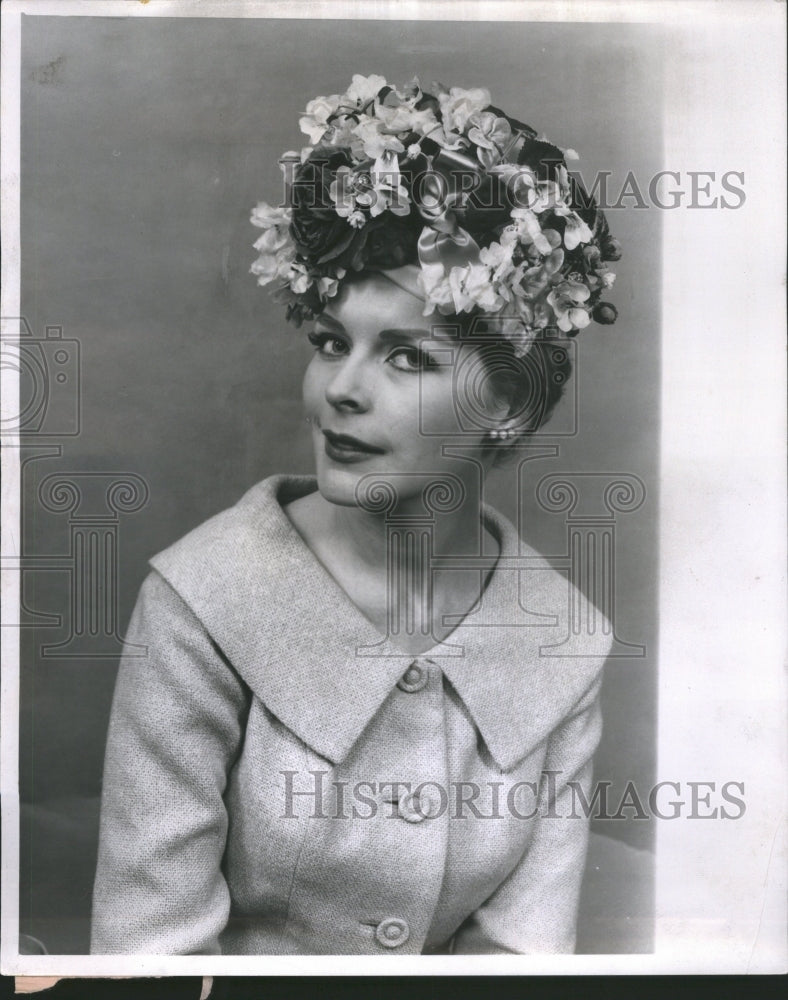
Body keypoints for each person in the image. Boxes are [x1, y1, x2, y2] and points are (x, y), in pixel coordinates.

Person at [91, 75, 621, 956]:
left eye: (406, 357)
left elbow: (523, 962)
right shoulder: (206, 601)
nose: (340, 389)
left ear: (511, 410)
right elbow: (148, 956)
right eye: (332, 343)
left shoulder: (564, 639)